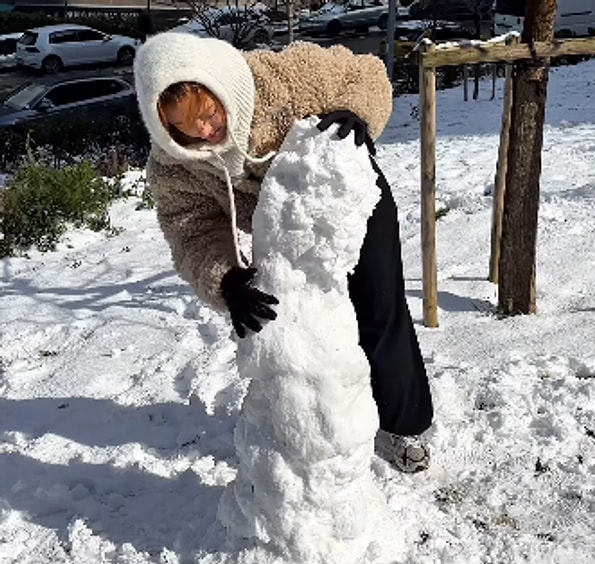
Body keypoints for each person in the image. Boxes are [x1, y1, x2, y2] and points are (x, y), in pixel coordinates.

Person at [133, 33, 433, 473]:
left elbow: (366, 72)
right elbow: (191, 229)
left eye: (209, 111)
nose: (204, 130)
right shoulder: (173, 164)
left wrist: (357, 112)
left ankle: (403, 424)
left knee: (378, 306)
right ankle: (321, 430)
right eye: (184, 126)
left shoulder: (281, 77)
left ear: (218, 85)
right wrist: (226, 279)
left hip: (354, 204)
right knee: (299, 330)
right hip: (285, 233)